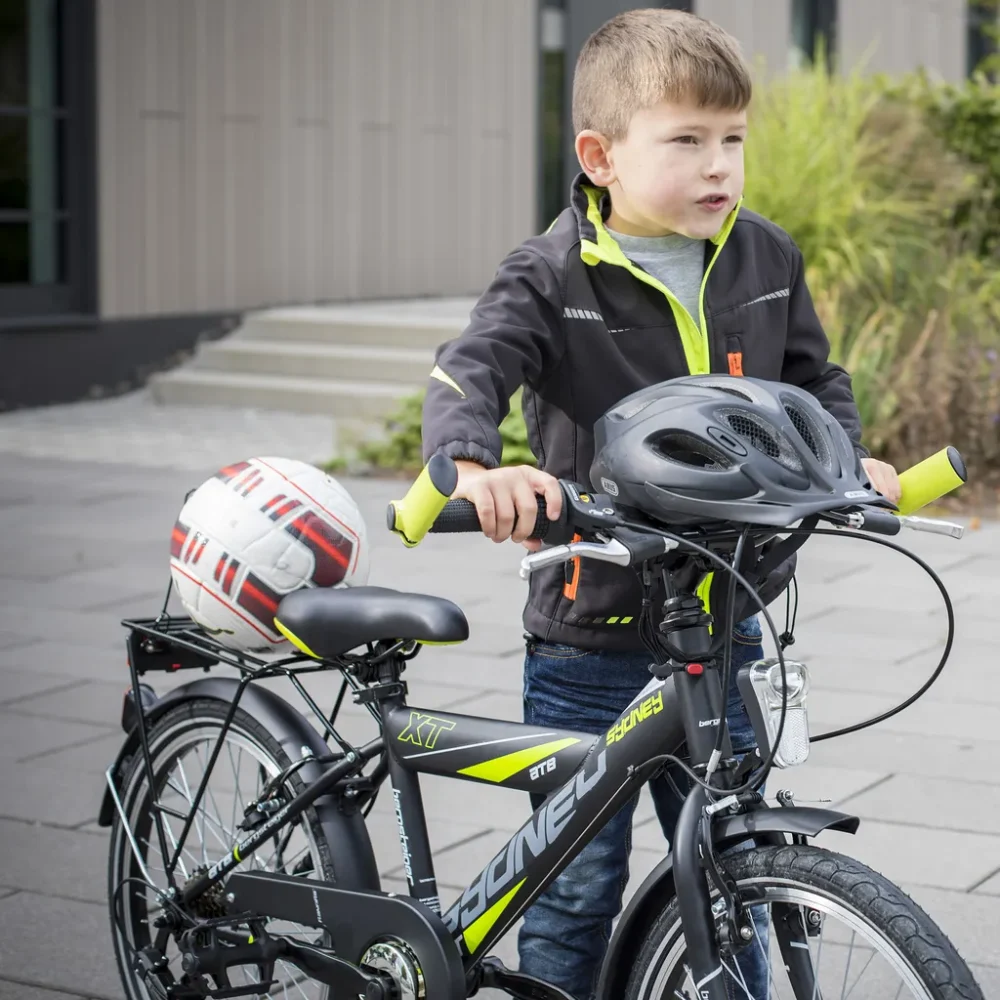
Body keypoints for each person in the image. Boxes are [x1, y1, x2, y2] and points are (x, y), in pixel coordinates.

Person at [420, 9, 901, 998]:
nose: (718, 164)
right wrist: (474, 470)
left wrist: (847, 460)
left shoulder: (764, 256)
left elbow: (816, 380)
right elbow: (467, 373)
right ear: (599, 156)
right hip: (589, 637)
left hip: (723, 621)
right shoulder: (551, 275)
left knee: (736, 874)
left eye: (731, 139)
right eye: (685, 140)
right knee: (574, 890)